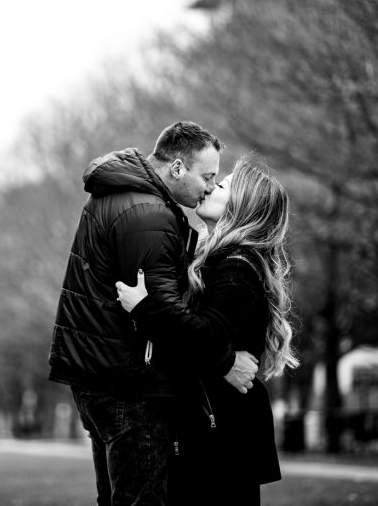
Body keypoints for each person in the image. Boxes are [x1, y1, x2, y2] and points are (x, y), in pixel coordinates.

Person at [48, 122, 260, 506]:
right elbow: (162, 309)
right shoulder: (149, 215)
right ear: (178, 168)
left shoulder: (121, 197)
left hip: (99, 375)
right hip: (130, 383)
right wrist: (226, 361)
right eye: (207, 177)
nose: (210, 187)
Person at [115, 153, 296, 506]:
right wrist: (227, 362)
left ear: (243, 205)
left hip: (222, 434)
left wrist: (145, 307)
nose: (211, 186)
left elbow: (206, 335)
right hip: (216, 427)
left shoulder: (237, 267)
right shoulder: (220, 260)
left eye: (223, 185)